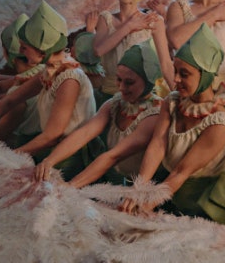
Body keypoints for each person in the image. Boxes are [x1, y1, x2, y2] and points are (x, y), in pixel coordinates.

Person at [0, 1, 96, 181]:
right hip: (49, 149)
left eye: (25, 47)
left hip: (69, 157)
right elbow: (9, 101)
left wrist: (6, 156)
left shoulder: (69, 80)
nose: (20, 51)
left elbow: (52, 135)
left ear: (42, 51)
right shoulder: (50, 70)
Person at [120, 24, 225, 227]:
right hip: (168, 190)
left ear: (205, 74)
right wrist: (139, 189)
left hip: (204, 205)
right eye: (175, 71)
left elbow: (181, 171)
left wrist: (145, 205)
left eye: (184, 74)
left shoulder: (220, 122)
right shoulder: (172, 101)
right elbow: (158, 145)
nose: (175, 79)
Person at [34, 39, 163, 187]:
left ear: (147, 81)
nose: (121, 87)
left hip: (148, 185)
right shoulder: (115, 104)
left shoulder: (154, 114)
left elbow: (113, 156)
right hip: (120, 175)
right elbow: (84, 133)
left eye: (129, 82)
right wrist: (49, 161)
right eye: (119, 79)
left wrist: (71, 186)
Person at [91, 0, 174, 105]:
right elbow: (98, 50)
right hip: (108, 97)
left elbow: (165, 64)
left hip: (142, 99)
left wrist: (179, 96)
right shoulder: (105, 19)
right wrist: (129, 26)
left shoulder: (153, 21)